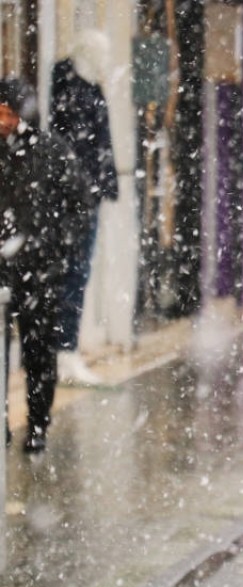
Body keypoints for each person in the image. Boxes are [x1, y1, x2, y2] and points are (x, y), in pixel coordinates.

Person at [0, 78, 92, 453]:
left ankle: (38, 424)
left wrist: (56, 247)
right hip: (3, 271)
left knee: (39, 351)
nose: (3, 121)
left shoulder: (51, 151)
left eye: (9, 113)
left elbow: (80, 203)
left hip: (41, 271)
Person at [50, 31, 119, 387]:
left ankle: (65, 349)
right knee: (71, 273)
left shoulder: (85, 88)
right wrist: (89, 189)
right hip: (72, 200)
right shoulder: (73, 91)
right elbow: (79, 147)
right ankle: (62, 351)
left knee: (75, 273)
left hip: (81, 198)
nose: (106, 62)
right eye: (101, 54)